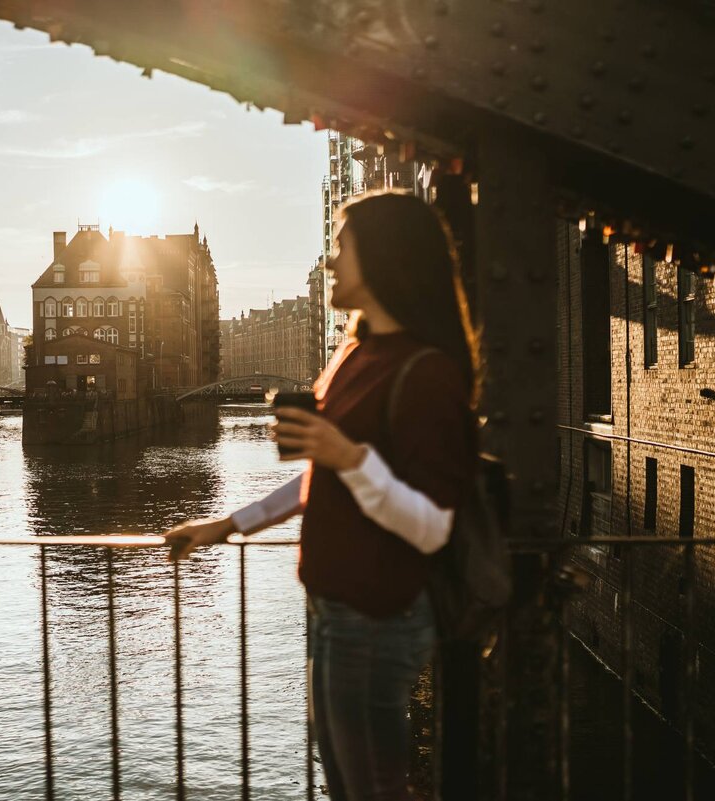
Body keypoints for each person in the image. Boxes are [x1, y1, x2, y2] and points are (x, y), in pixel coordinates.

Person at [164, 191, 480, 801]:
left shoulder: (424, 371)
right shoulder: (355, 356)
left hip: (378, 617)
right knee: (347, 782)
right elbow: (320, 480)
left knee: (371, 790)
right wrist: (225, 526)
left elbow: (433, 527)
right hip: (334, 611)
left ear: (385, 259)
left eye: (341, 246)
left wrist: (348, 456)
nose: (331, 262)